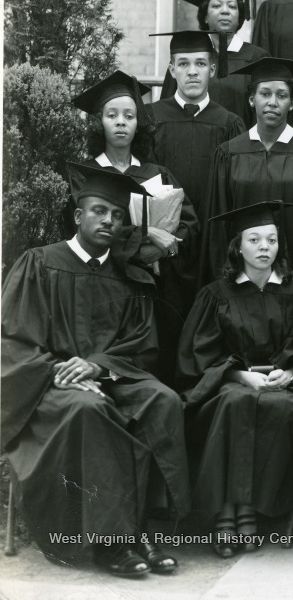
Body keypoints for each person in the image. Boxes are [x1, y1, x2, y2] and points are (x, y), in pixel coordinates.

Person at [2, 164, 189, 577]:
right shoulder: (39, 263)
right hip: (50, 387)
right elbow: (12, 341)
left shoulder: (129, 276)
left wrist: (98, 367)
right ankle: (113, 543)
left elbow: (142, 345)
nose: (108, 221)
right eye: (99, 211)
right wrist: (61, 372)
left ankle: (144, 530)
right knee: (89, 411)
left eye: (117, 215)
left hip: (109, 378)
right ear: (78, 215)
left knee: (162, 400)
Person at [177, 201, 293, 559]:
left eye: (271, 240)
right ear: (237, 247)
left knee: (280, 408)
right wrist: (241, 376)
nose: (263, 248)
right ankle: (229, 512)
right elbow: (197, 354)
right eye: (254, 240)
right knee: (235, 401)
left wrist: (289, 372)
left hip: (284, 384)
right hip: (228, 383)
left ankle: (247, 510)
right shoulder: (216, 294)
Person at [73, 71, 200, 382]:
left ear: (137, 123)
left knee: (155, 365)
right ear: (99, 122)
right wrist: (149, 234)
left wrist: (161, 248)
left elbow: (188, 224)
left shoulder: (156, 173)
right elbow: (89, 231)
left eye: (129, 116)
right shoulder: (85, 173)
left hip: (156, 287)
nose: (120, 122)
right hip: (106, 283)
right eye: (112, 115)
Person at [202, 57, 293, 299]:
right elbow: (218, 224)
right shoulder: (229, 152)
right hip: (239, 278)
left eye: (281, 95)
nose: (272, 102)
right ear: (251, 100)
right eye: (265, 94)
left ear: (292, 104)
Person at [148, 30, 245, 220]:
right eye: (183, 64)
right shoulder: (151, 118)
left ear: (212, 70)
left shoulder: (230, 123)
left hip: (213, 228)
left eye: (200, 63)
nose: (192, 71)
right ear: (172, 70)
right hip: (163, 228)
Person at [160, 0, 268, 124]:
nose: (225, 11)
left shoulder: (257, 58)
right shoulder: (188, 55)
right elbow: (167, 107)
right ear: (205, 16)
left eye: (232, 6)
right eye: (217, 6)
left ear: (239, 16)